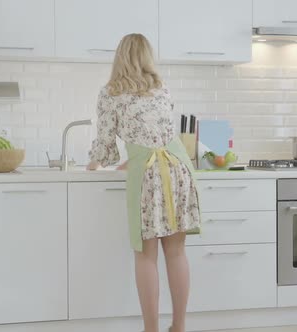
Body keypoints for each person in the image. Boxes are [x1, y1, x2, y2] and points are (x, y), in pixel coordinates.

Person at [87, 33, 201, 332]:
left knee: (146, 254)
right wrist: (132, 158)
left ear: (120, 56)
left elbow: (106, 139)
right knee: (176, 252)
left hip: (149, 174)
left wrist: (96, 162)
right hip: (178, 167)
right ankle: (179, 326)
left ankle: (150, 329)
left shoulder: (111, 92)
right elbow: (156, 134)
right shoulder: (161, 89)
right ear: (148, 56)